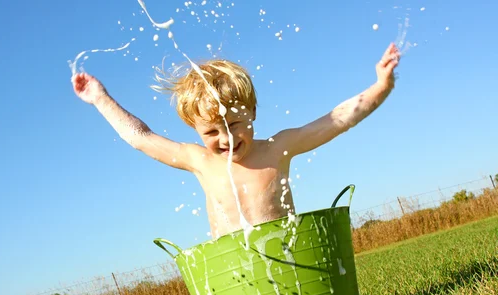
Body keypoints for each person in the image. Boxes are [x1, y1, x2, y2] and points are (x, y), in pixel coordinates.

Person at [72, 43, 400, 239]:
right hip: (235, 270)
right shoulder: (198, 160)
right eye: (211, 132)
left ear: (253, 112)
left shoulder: (277, 148)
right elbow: (140, 138)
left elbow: (337, 120)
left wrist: (380, 87)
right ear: (195, 129)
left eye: (234, 125)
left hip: (289, 260)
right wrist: (100, 99)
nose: (226, 139)